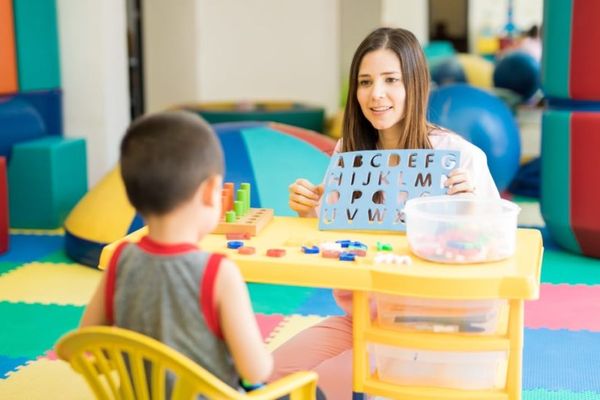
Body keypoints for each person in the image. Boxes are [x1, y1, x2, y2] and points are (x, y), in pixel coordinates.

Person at [272, 27, 500, 399]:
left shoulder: (461, 158)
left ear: (416, 84)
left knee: (317, 390)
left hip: (432, 328)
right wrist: (312, 211)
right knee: (265, 377)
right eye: (365, 82)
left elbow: (498, 251)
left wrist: (470, 212)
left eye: (391, 80)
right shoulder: (348, 154)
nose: (376, 94)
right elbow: (339, 240)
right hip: (361, 317)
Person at [79, 111, 275, 395]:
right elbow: (255, 370)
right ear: (209, 192)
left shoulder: (120, 259)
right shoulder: (218, 272)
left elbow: (87, 343)